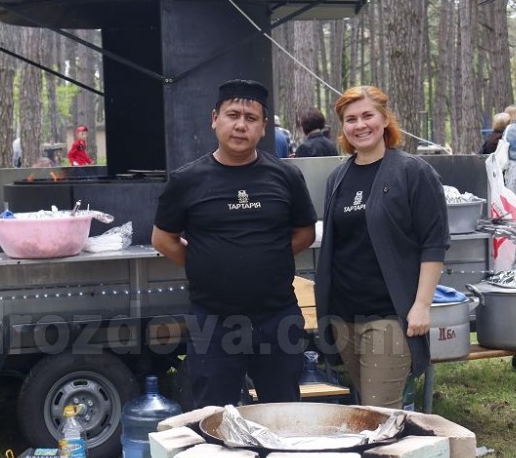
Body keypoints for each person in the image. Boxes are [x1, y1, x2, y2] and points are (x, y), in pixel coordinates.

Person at [151, 79, 316, 407]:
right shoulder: (187, 180)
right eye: (232, 115)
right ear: (215, 119)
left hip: (276, 317)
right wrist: (205, 262)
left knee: (283, 411)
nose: (241, 125)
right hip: (213, 320)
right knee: (213, 415)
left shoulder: (286, 177)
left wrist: (265, 260)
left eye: (251, 118)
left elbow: (304, 233)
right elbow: (163, 238)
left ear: (264, 126)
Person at [314, 86, 449, 409]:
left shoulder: (412, 172)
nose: (360, 125)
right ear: (342, 127)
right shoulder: (338, 177)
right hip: (344, 315)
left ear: (385, 119)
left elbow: (434, 242)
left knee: (379, 410)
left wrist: (421, 305)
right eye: (350, 119)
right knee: (369, 409)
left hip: (389, 313)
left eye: (367, 116)